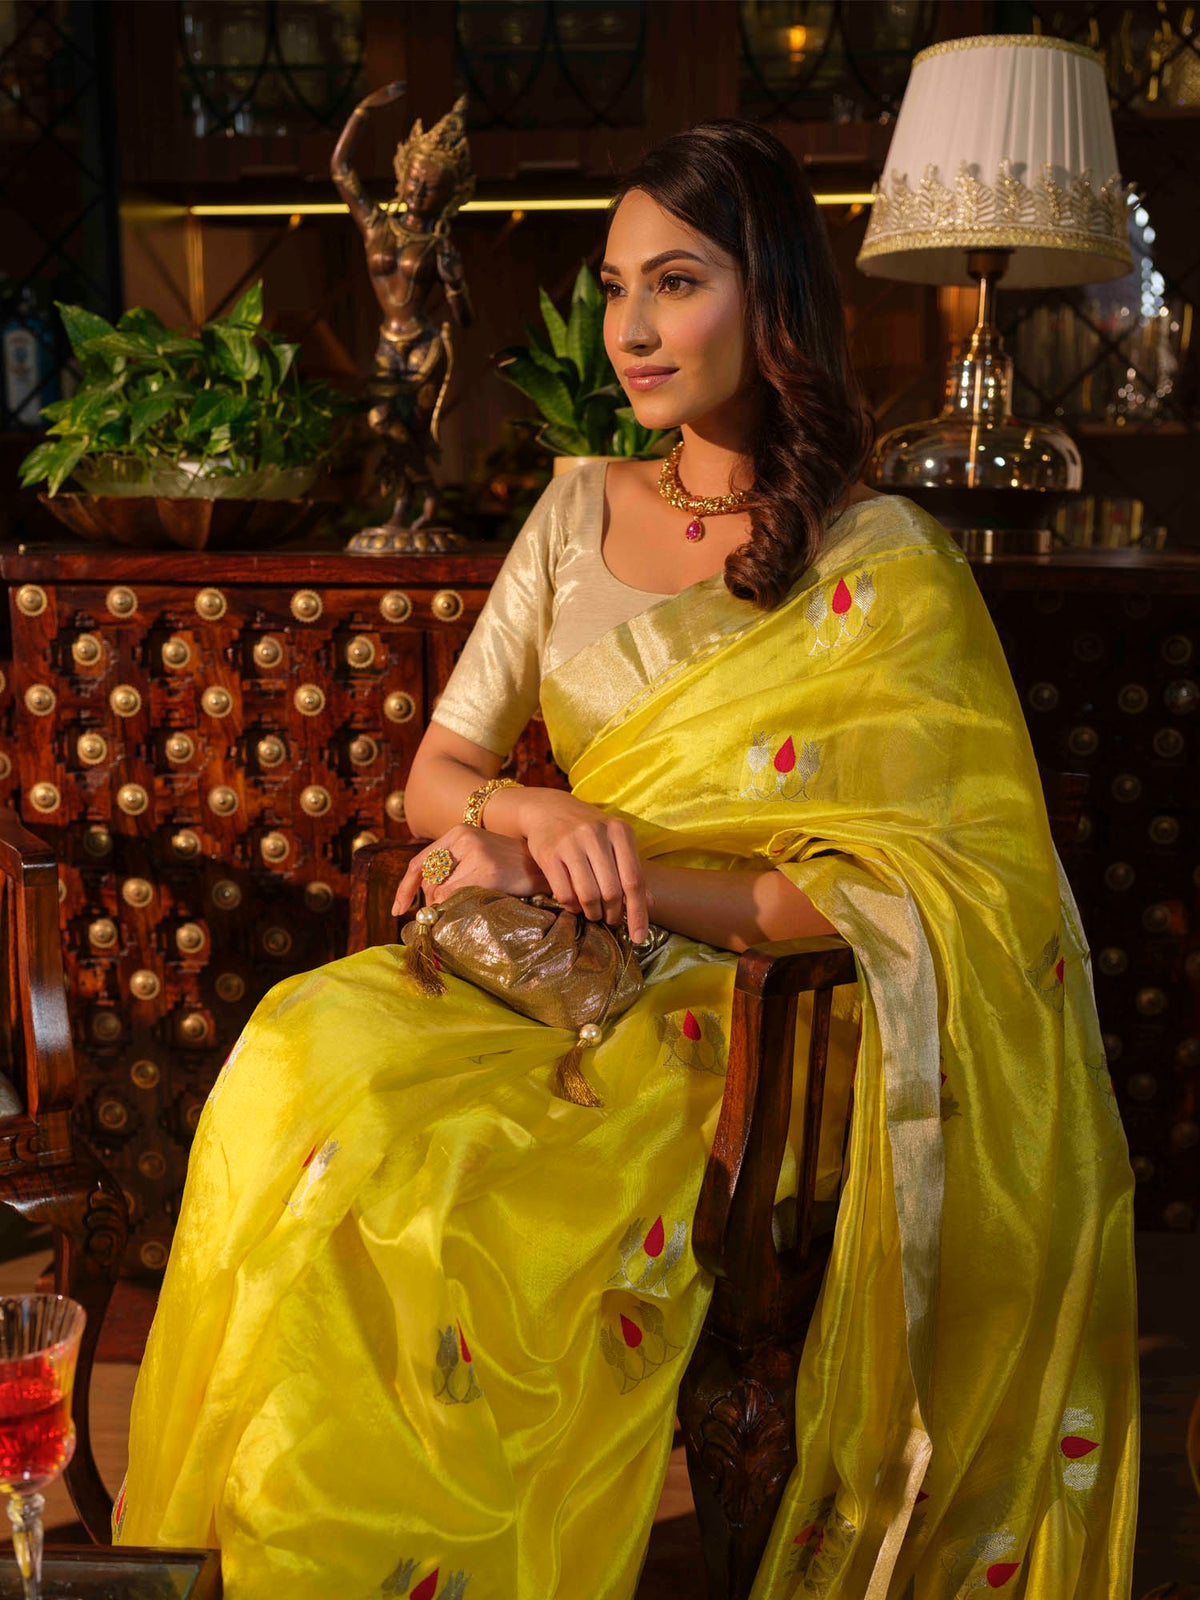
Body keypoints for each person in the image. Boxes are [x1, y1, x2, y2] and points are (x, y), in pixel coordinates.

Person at [117, 122, 1138, 1600]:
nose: (633, 330)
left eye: (676, 281)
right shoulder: (577, 507)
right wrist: (533, 820)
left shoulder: (888, 559)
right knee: (298, 1053)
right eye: (613, 289)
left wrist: (621, 877)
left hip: (729, 1025)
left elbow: (873, 892)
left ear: (773, 296)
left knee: (452, 1198)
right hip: (537, 980)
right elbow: (435, 778)